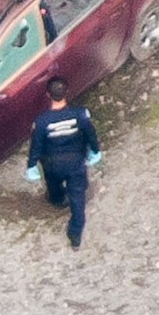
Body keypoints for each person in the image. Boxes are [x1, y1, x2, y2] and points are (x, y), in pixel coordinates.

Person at [25, 76, 100, 250]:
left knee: (53, 185)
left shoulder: (42, 121)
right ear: (66, 92)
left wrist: (31, 165)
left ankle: (57, 199)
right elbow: (91, 135)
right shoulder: (80, 114)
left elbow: (36, 145)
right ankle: (75, 236)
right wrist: (95, 151)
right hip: (75, 164)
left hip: (52, 164)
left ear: (47, 95)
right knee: (78, 201)